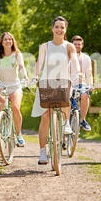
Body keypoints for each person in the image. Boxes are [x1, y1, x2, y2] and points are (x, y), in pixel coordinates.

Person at [31, 16, 82, 165]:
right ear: (52, 29)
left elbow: (75, 64)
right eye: (57, 27)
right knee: (45, 116)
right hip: (47, 82)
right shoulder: (45, 46)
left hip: (63, 81)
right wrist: (35, 76)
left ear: (65, 30)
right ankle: (42, 152)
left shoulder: (69, 46)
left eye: (62, 27)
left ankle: (66, 123)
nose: (59, 30)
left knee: (67, 93)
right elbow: (39, 63)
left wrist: (78, 74)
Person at [0, 32, 29, 147]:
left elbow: (21, 66)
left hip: (15, 86)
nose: (8, 41)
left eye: (10, 39)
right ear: (1, 42)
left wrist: (25, 77)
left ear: (13, 41)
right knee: (1, 102)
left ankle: (19, 134)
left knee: (16, 108)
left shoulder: (17, 54)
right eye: (5, 39)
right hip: (1, 85)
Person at [69, 35, 94, 131]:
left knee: (85, 95)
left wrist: (90, 84)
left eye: (79, 44)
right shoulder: (68, 57)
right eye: (75, 44)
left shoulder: (86, 58)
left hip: (81, 83)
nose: (77, 46)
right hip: (69, 82)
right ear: (71, 45)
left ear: (82, 45)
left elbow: (89, 74)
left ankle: (82, 120)